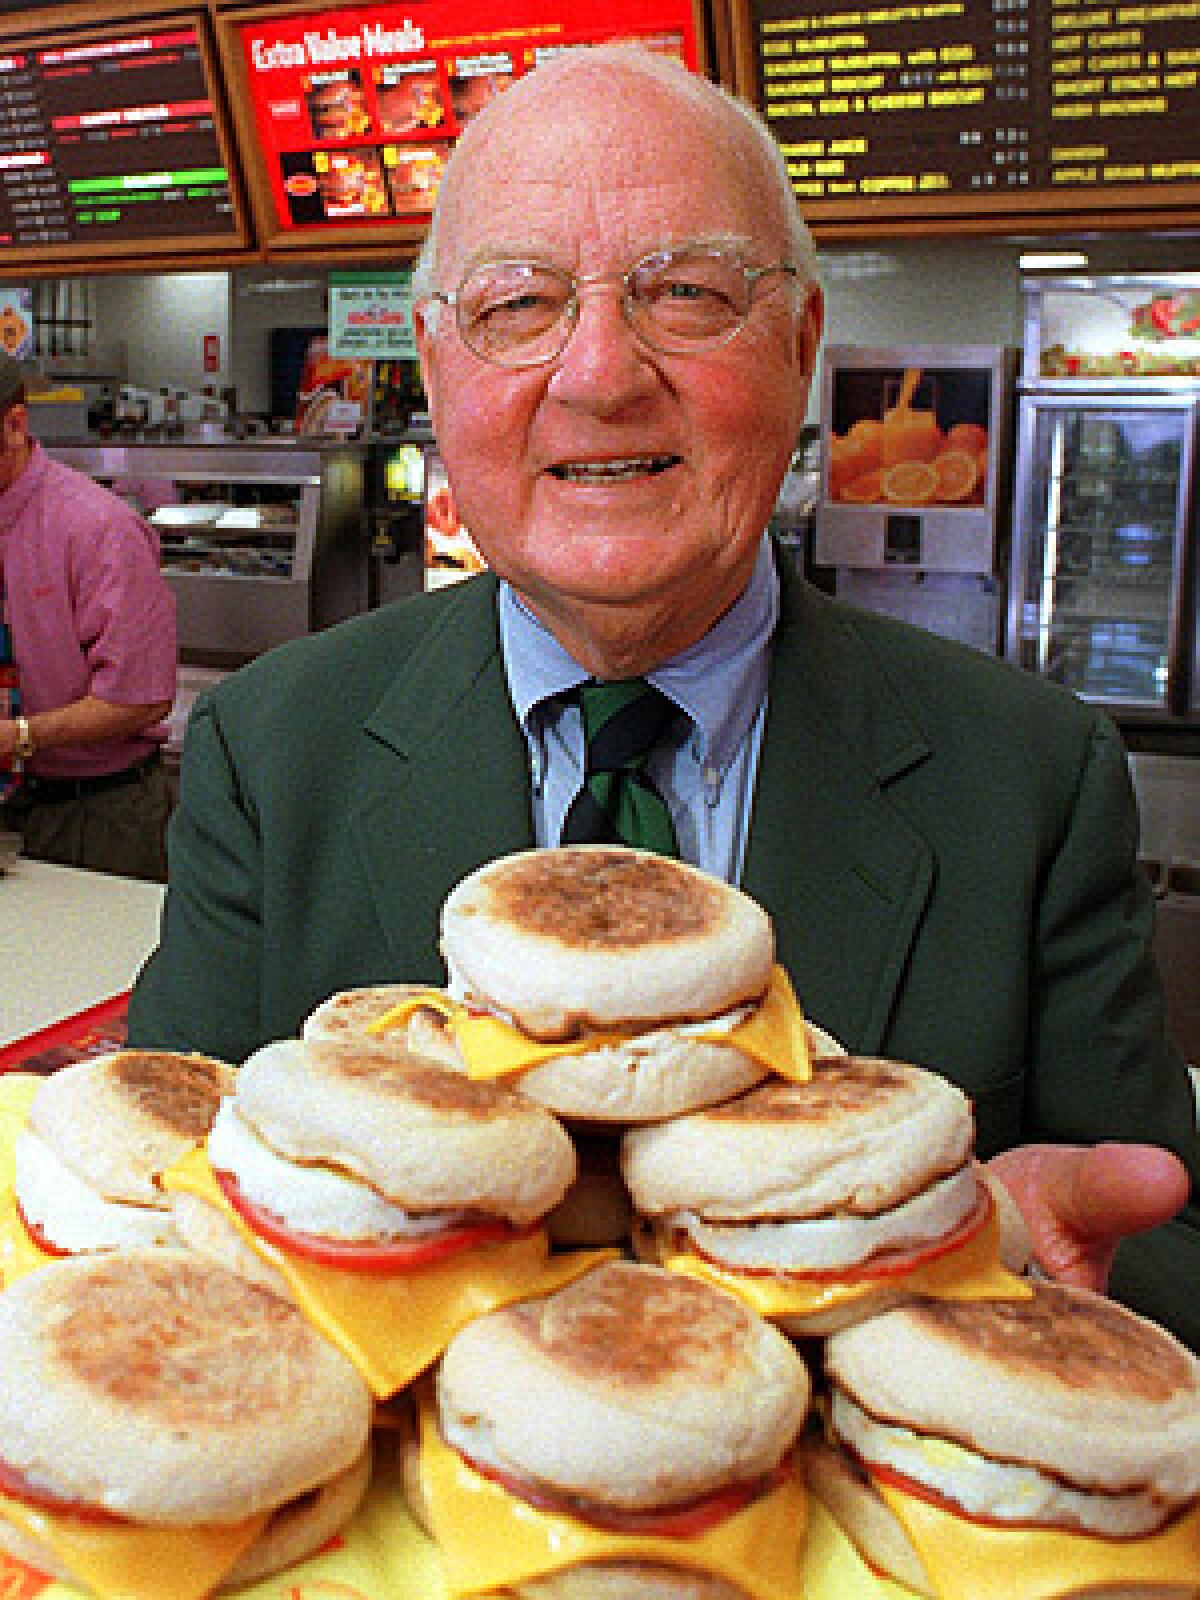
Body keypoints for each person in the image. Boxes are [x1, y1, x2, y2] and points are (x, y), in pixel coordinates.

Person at [127, 46, 1200, 1348]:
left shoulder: (1033, 777)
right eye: (517, 305)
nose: (597, 374)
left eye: (685, 292)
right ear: (433, 363)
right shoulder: (272, 746)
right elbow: (161, 1194)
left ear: (800, 347)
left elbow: (1157, 1244)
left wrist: (1009, 1259)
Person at [0, 351, 177, 881]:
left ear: (13, 425)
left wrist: (18, 736)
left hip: (98, 812)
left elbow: (141, 696)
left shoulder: (97, 528)